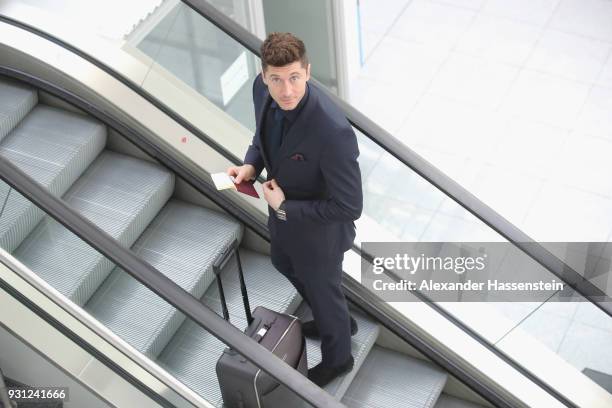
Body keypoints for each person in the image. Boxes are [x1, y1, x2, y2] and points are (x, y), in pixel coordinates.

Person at [227, 32, 363, 387]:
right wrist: (250, 167)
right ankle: (336, 319)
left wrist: (286, 208)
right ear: (263, 77)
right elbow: (261, 140)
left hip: (320, 234)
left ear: (307, 72)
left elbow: (350, 206)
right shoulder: (262, 93)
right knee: (283, 263)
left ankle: (339, 358)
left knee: (323, 289)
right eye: (276, 79)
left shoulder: (333, 132)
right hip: (283, 220)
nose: (286, 90)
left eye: (294, 78)